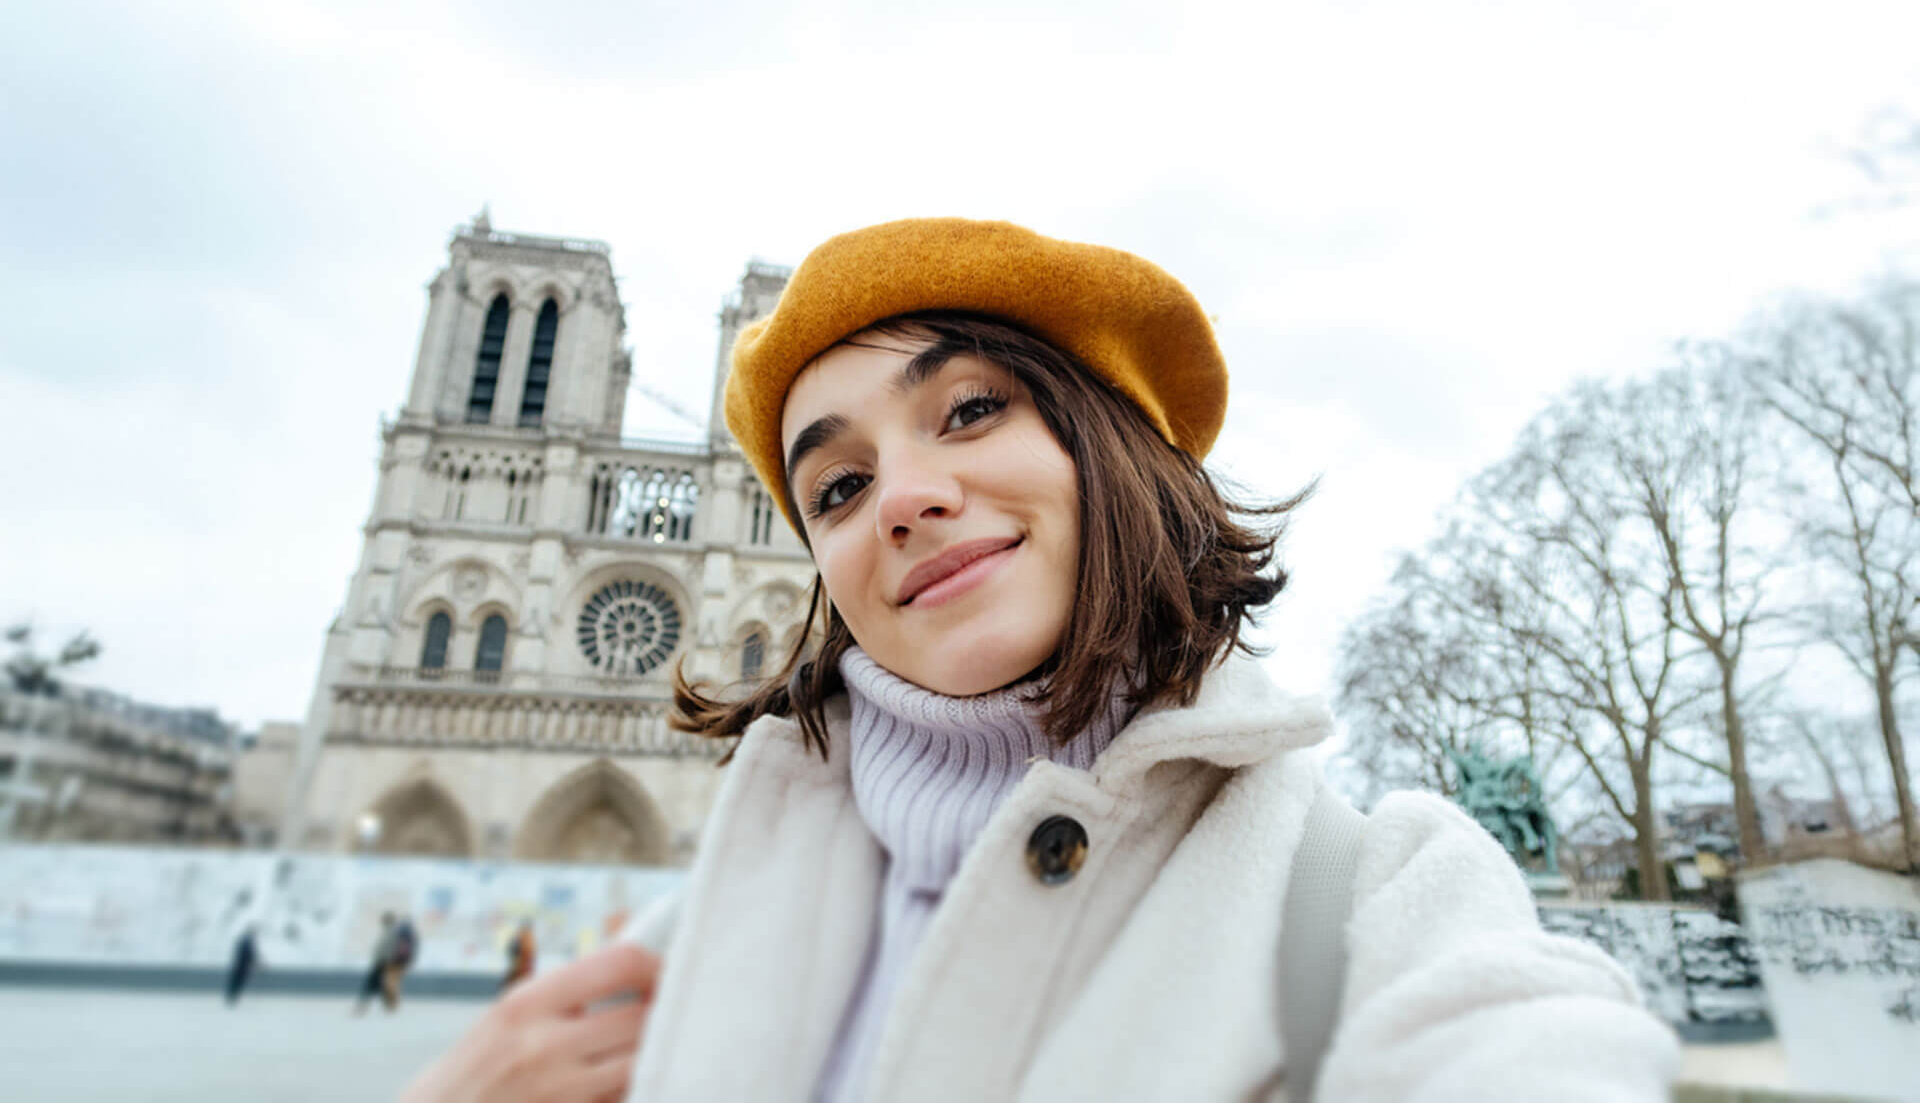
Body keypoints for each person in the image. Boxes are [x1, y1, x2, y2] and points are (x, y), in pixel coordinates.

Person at [404, 218, 1682, 1102]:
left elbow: (1528, 1047)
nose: (901, 496)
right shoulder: (715, 909)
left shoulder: (1375, 896)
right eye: (837, 484)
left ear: (1106, 444)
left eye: (969, 407)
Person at [353, 912, 397, 1015]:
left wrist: (384, 960)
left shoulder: (390, 933)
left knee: (370, 984)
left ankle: (362, 1006)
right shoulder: (388, 932)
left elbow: (388, 949)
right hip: (381, 962)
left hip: (382, 962)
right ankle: (389, 1005)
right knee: (380, 985)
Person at [384, 915, 419, 1009]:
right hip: (404, 960)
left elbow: (391, 946)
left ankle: (393, 1001)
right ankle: (394, 1001)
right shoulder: (412, 935)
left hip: (394, 960)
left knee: (389, 980)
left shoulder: (398, 933)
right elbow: (414, 949)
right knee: (395, 981)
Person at [223, 925, 258, 1006]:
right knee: (237, 981)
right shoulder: (246, 941)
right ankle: (231, 997)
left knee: (237, 982)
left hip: (242, 965)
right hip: (241, 965)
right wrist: (253, 961)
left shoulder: (247, 941)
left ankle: (232, 997)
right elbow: (248, 954)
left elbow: (250, 954)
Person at [502, 919, 537, 991]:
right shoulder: (522, 938)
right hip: (519, 969)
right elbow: (514, 952)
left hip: (522, 970)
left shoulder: (526, 939)